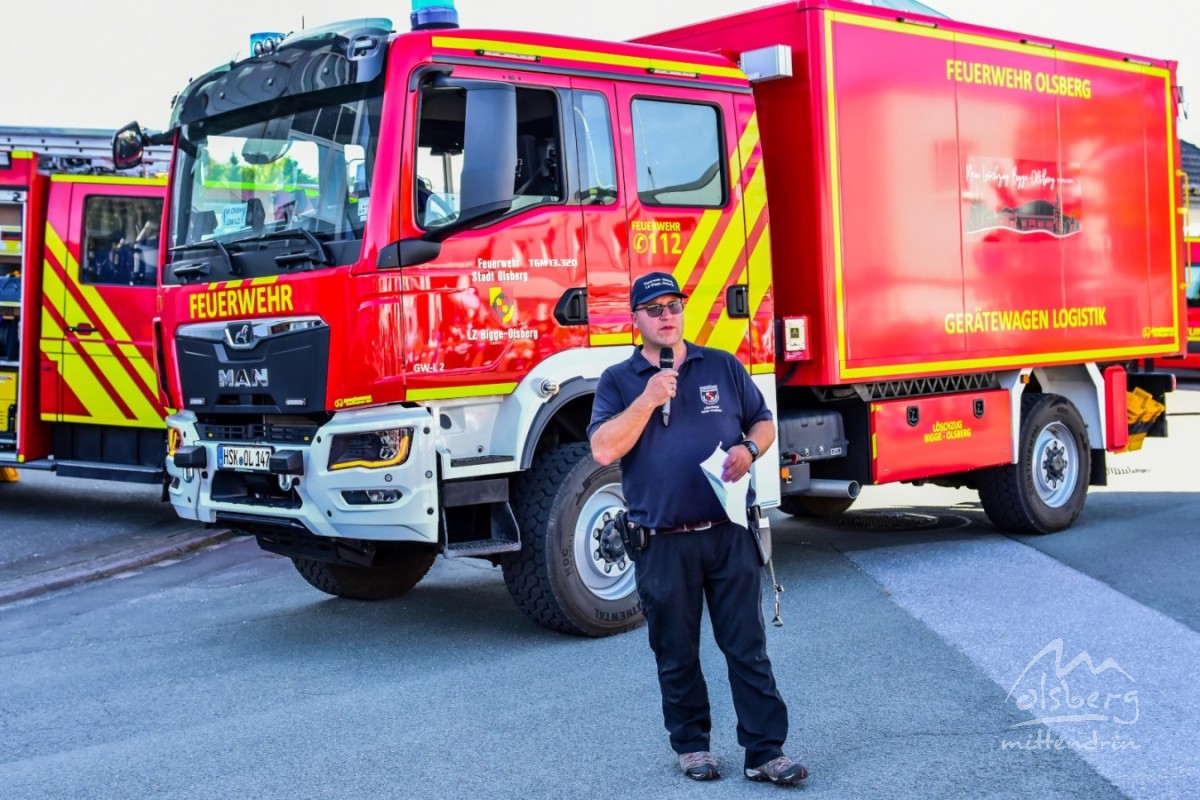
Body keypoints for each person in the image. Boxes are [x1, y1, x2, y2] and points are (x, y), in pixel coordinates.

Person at [588, 272, 808, 786]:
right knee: (676, 650)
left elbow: (763, 421)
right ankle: (692, 746)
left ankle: (765, 751)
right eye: (654, 308)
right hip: (662, 541)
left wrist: (749, 450)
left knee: (746, 647)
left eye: (673, 305)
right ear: (636, 319)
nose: (667, 315)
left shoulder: (723, 366)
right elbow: (603, 449)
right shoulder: (619, 381)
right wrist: (646, 399)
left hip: (728, 532)